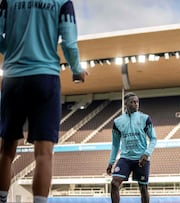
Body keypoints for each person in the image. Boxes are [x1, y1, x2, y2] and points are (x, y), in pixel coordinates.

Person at [0, 1, 86, 203]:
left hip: (13, 77)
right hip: (45, 77)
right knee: (44, 153)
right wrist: (76, 70)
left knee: (5, 149)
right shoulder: (63, 2)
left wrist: (12, 50)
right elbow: (69, 43)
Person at [106, 92, 157, 203]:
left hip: (141, 158)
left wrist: (146, 154)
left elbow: (153, 138)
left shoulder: (145, 118)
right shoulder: (117, 122)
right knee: (114, 183)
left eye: (137, 102)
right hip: (125, 158)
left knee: (143, 188)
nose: (136, 104)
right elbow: (115, 144)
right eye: (132, 102)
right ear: (126, 104)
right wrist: (111, 162)